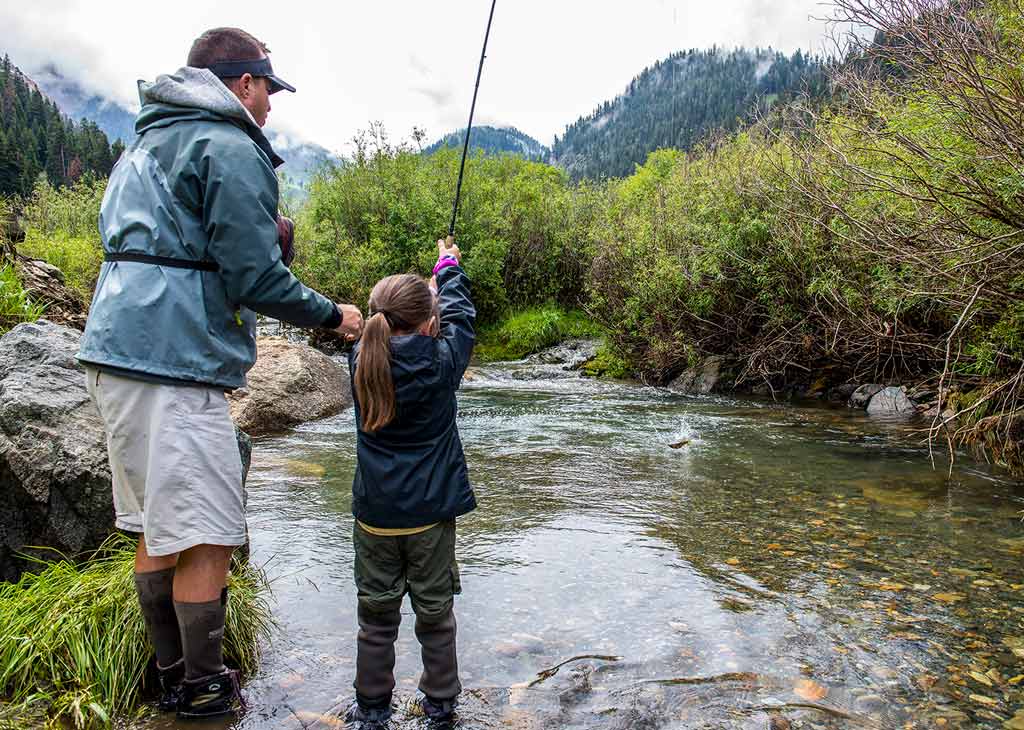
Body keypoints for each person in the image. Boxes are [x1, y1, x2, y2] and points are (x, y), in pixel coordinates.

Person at [77, 27, 363, 719]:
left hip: (116, 350)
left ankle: (171, 675)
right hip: (173, 362)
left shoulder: (144, 143)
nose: (271, 106)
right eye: (268, 90)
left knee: (155, 526)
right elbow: (255, 276)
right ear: (243, 84)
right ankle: (203, 689)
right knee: (208, 531)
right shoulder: (227, 143)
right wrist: (336, 317)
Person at [345, 239, 476, 729]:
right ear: (428, 323)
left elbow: (407, 328)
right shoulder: (443, 364)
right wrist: (447, 267)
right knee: (436, 615)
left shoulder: (360, 362)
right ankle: (440, 706)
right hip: (430, 520)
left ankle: (372, 711)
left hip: (375, 518)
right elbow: (460, 318)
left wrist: (425, 296)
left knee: (376, 620)